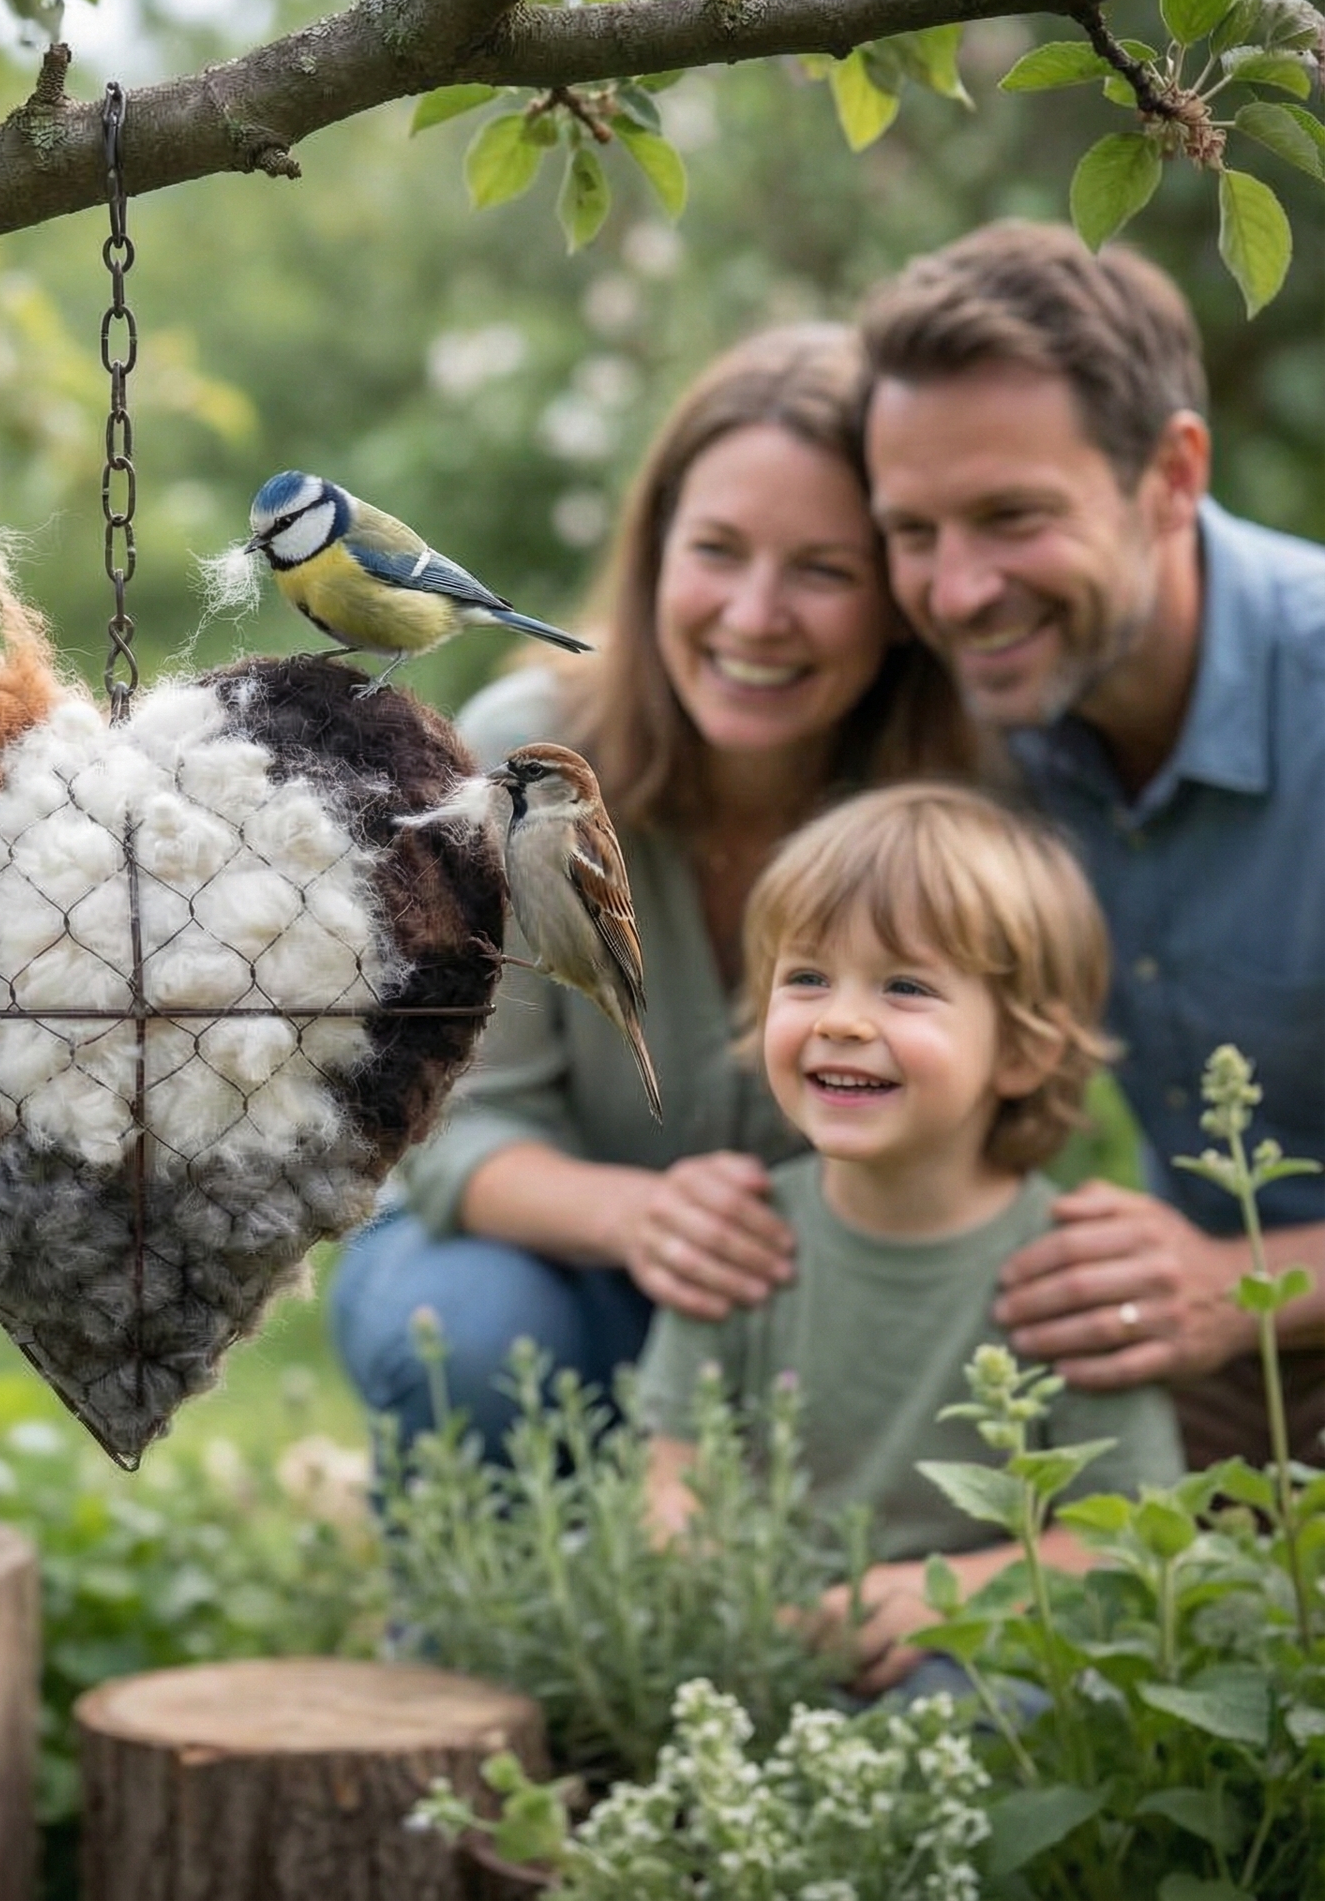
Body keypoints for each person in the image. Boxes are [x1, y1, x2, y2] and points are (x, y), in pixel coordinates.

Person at [661, 223, 1325, 1470]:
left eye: (1013, 517)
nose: (959, 593)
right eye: (913, 533)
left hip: (1234, 1299)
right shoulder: (963, 726)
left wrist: (1237, 1282)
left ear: (1174, 475)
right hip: (1199, 1344)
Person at [329, 323, 984, 1454]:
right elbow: (455, 1124)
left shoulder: (946, 804)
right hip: (537, 1253)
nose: (754, 614)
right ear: (654, 557)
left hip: (808, 1282)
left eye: (824, 568)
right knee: (473, 1337)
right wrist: (643, 1220)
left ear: (897, 594)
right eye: (718, 550)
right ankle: (472, 1623)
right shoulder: (522, 758)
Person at [638, 782, 1185, 1696]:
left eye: (905, 987)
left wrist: (949, 1598)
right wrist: (752, 1611)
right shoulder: (746, 1235)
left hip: (973, 1656)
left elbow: (1125, 1532)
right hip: (771, 1644)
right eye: (806, 977)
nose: (843, 1019)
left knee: (979, 1706)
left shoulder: (1066, 1267)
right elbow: (668, 1486)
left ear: (1023, 1049)